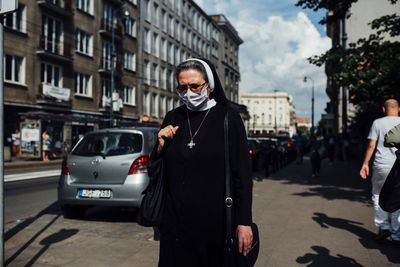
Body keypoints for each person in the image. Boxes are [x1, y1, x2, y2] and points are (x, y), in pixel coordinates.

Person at [153, 58, 253, 267]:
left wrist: (244, 222)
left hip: (214, 226)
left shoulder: (228, 118)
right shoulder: (173, 116)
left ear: (209, 85)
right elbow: (157, 170)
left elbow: (242, 176)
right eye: (182, 87)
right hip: (175, 226)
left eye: (194, 86)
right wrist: (160, 145)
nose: (188, 92)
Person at [360, 99, 400, 243]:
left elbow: (371, 144)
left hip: (381, 165)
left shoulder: (378, 123)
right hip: (398, 166)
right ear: (399, 109)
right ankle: (397, 234)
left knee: (377, 195)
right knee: (398, 198)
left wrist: (365, 163)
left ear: (384, 109)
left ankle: (383, 227)